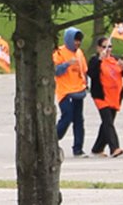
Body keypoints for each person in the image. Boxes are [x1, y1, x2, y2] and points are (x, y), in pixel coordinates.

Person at [87, 36, 123, 158]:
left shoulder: (114, 59)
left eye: (109, 46)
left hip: (115, 96)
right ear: (98, 48)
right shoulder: (95, 60)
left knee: (107, 122)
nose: (107, 49)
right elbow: (91, 73)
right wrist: (100, 59)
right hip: (101, 95)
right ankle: (114, 147)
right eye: (104, 47)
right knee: (108, 121)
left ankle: (97, 148)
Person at [53, 27, 90, 158]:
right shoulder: (59, 52)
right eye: (75, 40)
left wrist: (86, 83)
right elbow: (55, 71)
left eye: (79, 40)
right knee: (67, 116)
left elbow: (84, 70)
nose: (77, 43)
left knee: (79, 120)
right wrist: (67, 64)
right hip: (65, 91)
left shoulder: (79, 53)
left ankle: (78, 148)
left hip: (78, 90)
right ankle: (53, 140)